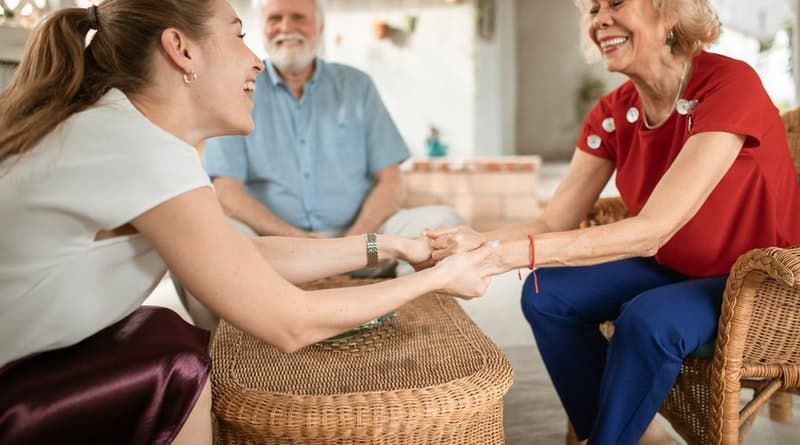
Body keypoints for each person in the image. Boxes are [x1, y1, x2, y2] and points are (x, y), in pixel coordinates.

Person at [0, 1, 497, 444]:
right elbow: (291, 322)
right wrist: (437, 278)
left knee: (166, 334)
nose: (256, 59)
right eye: (238, 34)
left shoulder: (121, 130)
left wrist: (390, 245)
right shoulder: (139, 149)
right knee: (177, 360)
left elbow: (236, 256)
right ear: (181, 50)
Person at [426, 0, 800, 444]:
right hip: (675, 265)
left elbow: (654, 229)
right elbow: (552, 221)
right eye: (592, 8)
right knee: (547, 294)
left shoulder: (729, 84)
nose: (600, 19)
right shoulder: (613, 112)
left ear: (669, 12)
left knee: (648, 318)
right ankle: (634, 436)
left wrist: (503, 258)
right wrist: (472, 242)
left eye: (616, 3)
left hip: (758, 282)